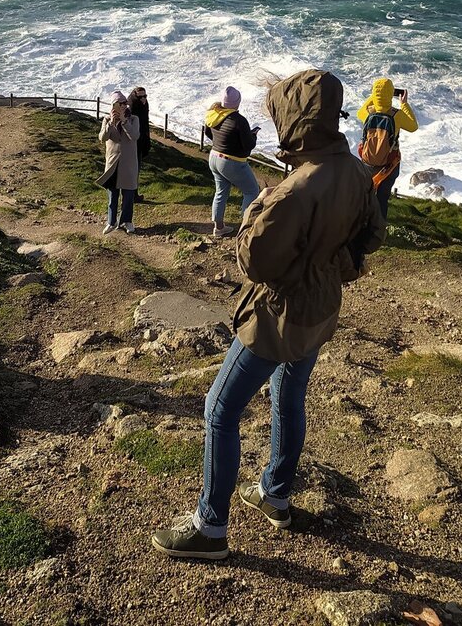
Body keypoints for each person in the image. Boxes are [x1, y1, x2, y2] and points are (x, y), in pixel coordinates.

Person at [152, 69, 385, 560]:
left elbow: (254, 262)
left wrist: (256, 210)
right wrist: (332, 263)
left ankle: (210, 528)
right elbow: (370, 236)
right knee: (288, 396)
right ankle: (274, 494)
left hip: (277, 317)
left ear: (297, 121)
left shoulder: (295, 190)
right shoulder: (355, 170)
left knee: (220, 409)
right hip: (321, 309)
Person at [356, 78, 419, 219]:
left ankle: (362, 222)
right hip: (389, 165)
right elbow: (413, 126)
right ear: (391, 94)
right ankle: (378, 226)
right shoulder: (397, 115)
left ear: (374, 93)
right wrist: (404, 104)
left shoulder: (367, 112)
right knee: (382, 198)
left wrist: (375, 96)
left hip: (367, 163)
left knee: (366, 195)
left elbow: (359, 113)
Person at [204, 85, 260, 238]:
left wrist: (223, 143)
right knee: (251, 191)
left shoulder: (214, 113)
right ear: (237, 102)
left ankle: (219, 228)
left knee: (220, 192)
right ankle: (245, 229)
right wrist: (253, 135)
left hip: (214, 157)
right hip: (231, 162)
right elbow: (249, 145)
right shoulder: (239, 120)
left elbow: (208, 132)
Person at [97, 91, 140, 235]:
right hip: (113, 163)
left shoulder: (133, 119)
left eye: (124, 103)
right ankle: (111, 222)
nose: (123, 106)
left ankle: (126, 221)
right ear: (113, 105)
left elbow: (134, 136)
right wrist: (111, 123)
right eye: (119, 104)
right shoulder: (107, 119)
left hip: (128, 163)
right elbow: (102, 138)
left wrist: (124, 121)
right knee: (112, 195)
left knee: (128, 195)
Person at [127, 86, 151, 203]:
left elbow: (145, 123)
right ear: (135, 96)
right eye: (140, 97)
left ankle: (134, 194)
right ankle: (132, 196)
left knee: (136, 169)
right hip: (134, 142)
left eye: (145, 96)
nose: (143, 98)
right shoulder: (131, 107)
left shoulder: (144, 104)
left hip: (141, 141)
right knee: (133, 169)